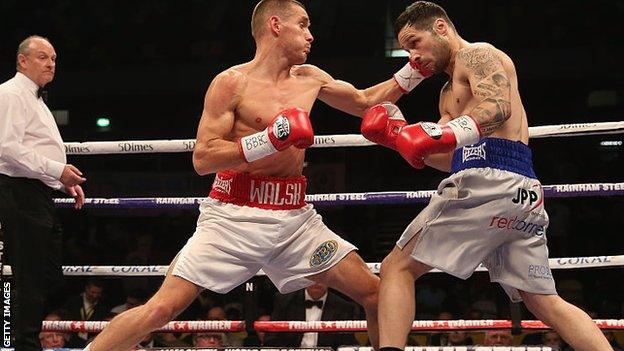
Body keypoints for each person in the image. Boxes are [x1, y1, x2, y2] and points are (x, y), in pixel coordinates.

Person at [85, 0, 416, 350]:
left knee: (379, 294)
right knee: (160, 309)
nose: (311, 35)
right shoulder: (232, 83)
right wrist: (269, 140)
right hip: (232, 217)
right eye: (302, 25)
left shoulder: (311, 78)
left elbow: (366, 101)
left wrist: (417, 70)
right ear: (275, 25)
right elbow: (203, 157)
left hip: (294, 220)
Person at [358, 2, 614, 351]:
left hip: (490, 184)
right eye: (406, 50)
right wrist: (398, 139)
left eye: (415, 43)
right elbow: (454, 158)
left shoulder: (478, 55)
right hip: (521, 192)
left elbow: (497, 107)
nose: (413, 58)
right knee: (542, 300)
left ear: (441, 28)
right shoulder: (448, 92)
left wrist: (438, 135)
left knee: (395, 269)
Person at [0, 35, 86, 351]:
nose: (50, 63)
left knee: (48, 277)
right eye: (42, 57)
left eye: (53, 58)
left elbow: (32, 148)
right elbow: (7, 148)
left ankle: (24, 340)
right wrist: (55, 170)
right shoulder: (10, 94)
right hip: (18, 193)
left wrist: (60, 181)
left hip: (37, 192)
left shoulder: (36, 99)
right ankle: (23, 346)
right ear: (22, 60)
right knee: (29, 279)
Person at [264, 283, 359, 348]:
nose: (316, 282)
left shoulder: (343, 307)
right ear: (305, 277)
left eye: (321, 277)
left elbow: (347, 343)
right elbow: (271, 338)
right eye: (313, 276)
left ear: (329, 280)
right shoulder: (285, 301)